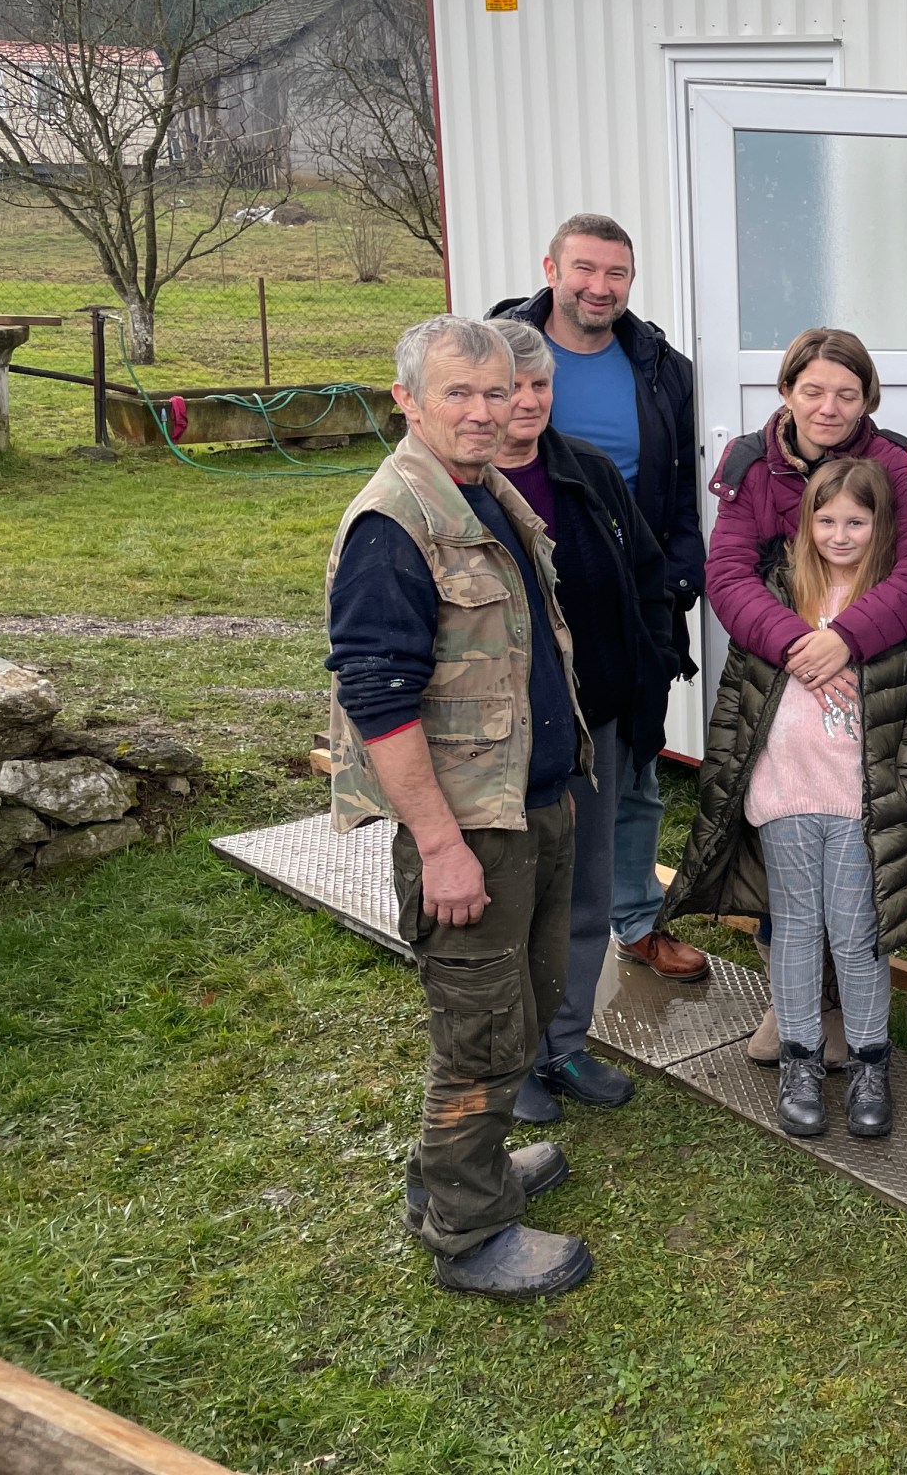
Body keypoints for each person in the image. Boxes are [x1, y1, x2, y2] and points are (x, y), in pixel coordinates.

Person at [322, 316, 594, 1299]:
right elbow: (378, 699)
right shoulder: (394, 526)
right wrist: (441, 846)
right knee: (480, 1034)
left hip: (532, 805)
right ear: (407, 400)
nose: (484, 411)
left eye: (497, 391)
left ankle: (452, 1170)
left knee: (525, 1009)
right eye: (458, 394)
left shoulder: (484, 494)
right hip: (471, 830)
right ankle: (468, 1230)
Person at [665, 457, 907, 1138]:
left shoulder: (893, 607)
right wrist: (734, 779)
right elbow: (737, 699)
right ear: (805, 524)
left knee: (856, 933)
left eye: (856, 522)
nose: (840, 536)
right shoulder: (776, 595)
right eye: (826, 520)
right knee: (794, 929)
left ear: (881, 527)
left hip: (857, 799)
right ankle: (801, 1060)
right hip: (784, 791)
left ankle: (869, 1061)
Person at [492, 213, 707, 983]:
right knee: (526, 768)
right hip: (516, 595)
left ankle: (635, 919)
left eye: (616, 273)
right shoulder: (496, 347)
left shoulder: (661, 368)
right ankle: (519, 927)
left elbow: (681, 487)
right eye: (584, 269)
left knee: (636, 767)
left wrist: (677, 579)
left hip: (628, 594)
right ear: (550, 269)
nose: (599, 287)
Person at [482, 317, 678, 1124]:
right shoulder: (455, 489)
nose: (527, 402)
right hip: (500, 742)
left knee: (586, 895)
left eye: (540, 385)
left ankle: (563, 1046)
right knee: (510, 905)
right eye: (509, 388)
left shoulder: (588, 472)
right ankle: (508, 1062)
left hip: (594, 726)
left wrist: (647, 678)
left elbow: (646, 578)